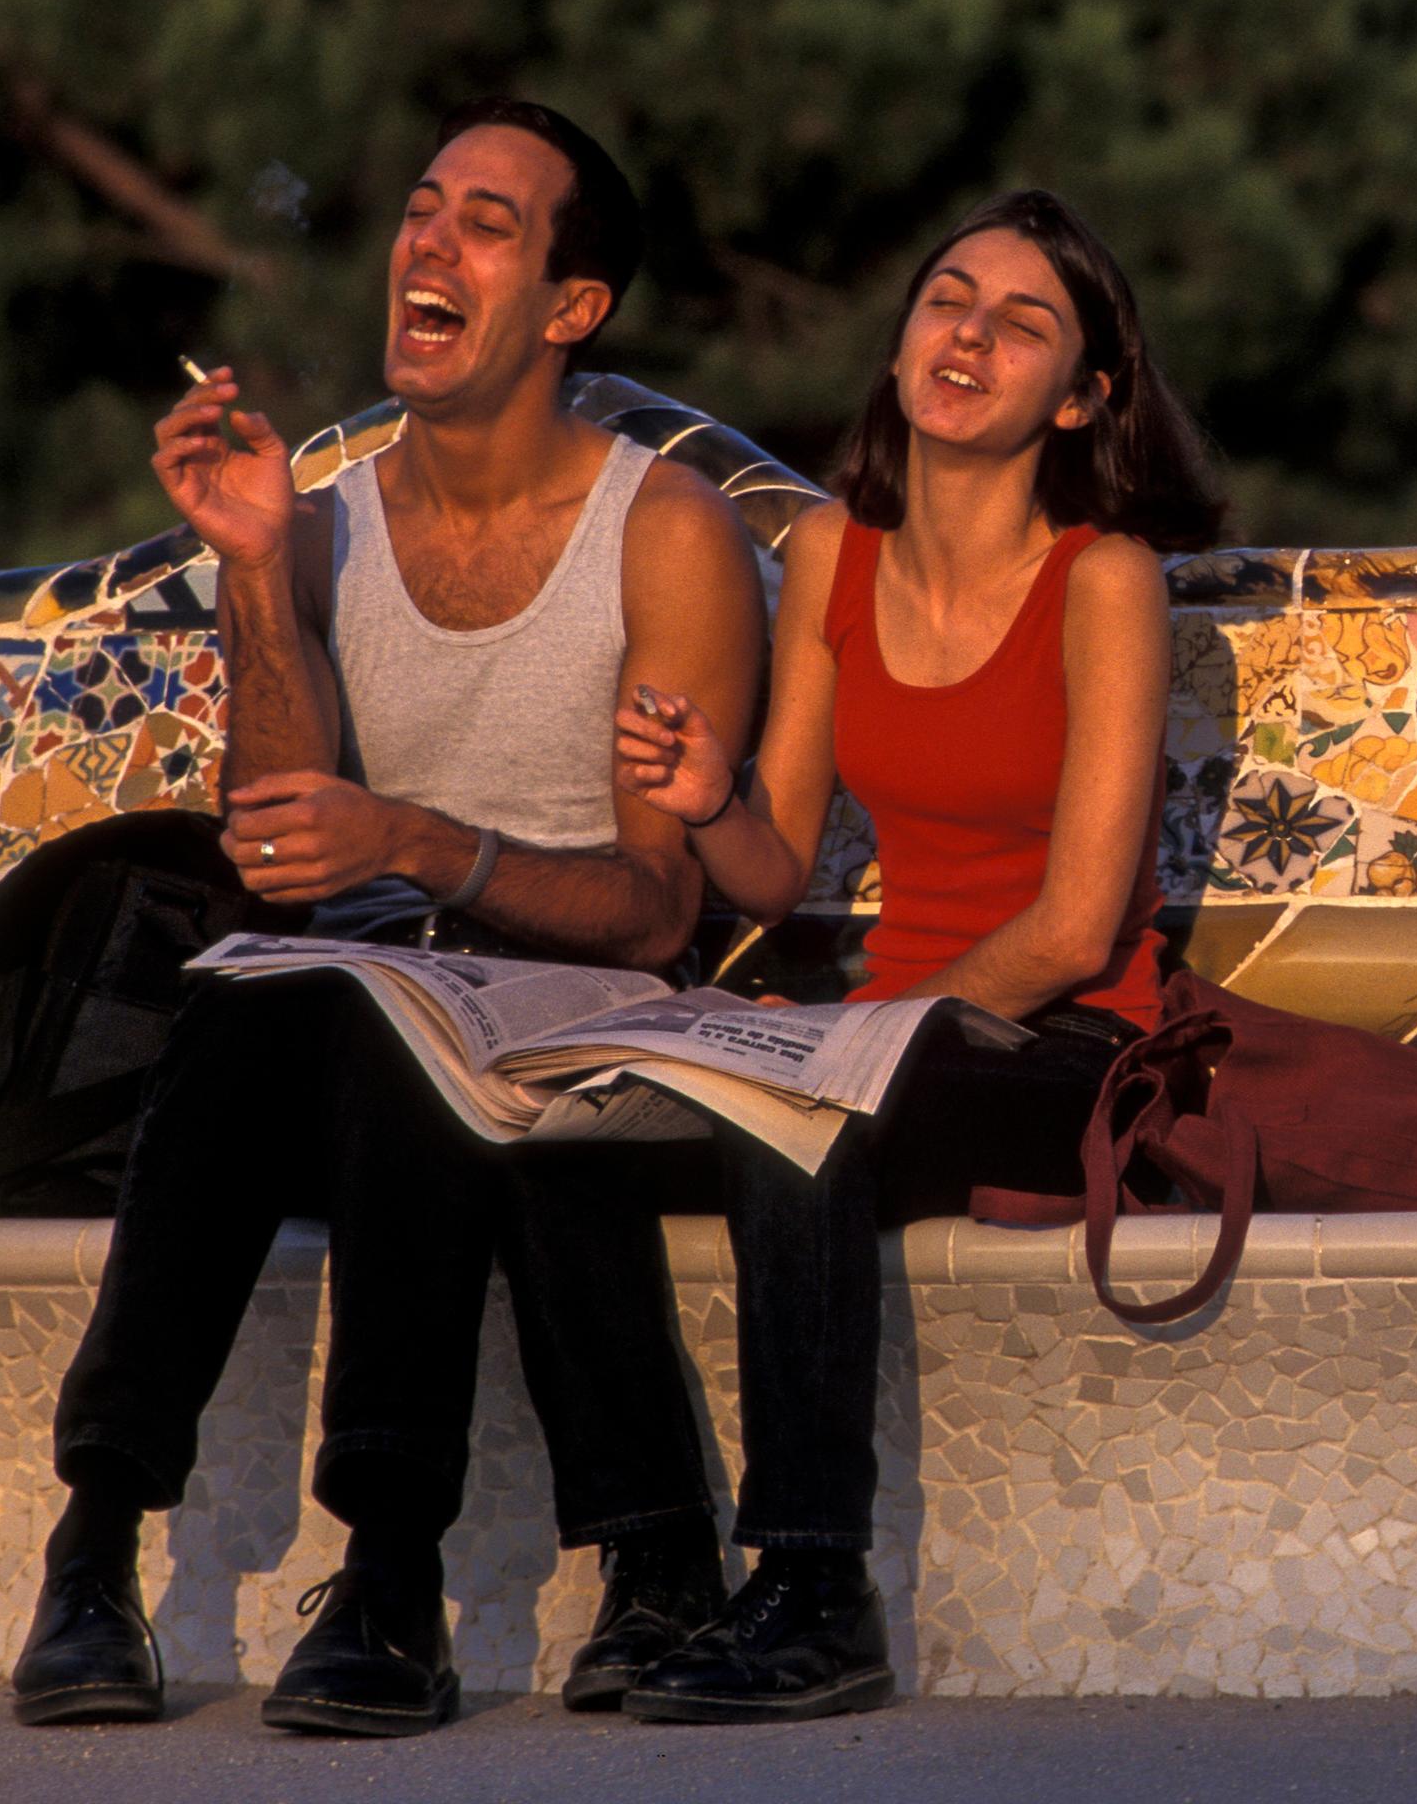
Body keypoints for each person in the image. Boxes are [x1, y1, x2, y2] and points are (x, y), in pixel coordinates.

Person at [8, 100, 764, 1736]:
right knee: (264, 997)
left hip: (579, 1004)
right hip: (343, 1014)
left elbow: (656, 911)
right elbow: (278, 850)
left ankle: (391, 1565)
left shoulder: (667, 534)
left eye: (488, 224)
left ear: (571, 306)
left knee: (389, 1021)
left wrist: (420, 845)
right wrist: (256, 566)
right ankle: (95, 1543)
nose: (430, 241)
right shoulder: (326, 522)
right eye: (424, 209)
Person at [605, 187, 1226, 1723]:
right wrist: (708, 800)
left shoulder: (1103, 580)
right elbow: (775, 861)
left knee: (798, 1107)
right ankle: (651, 1567)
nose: (969, 335)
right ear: (900, 346)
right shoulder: (833, 550)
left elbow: (1077, 926)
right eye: (949, 299)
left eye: (1023, 324)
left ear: (1079, 398)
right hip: (898, 1039)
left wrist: (846, 1040)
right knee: (563, 1140)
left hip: (1068, 1048)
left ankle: (819, 1593)